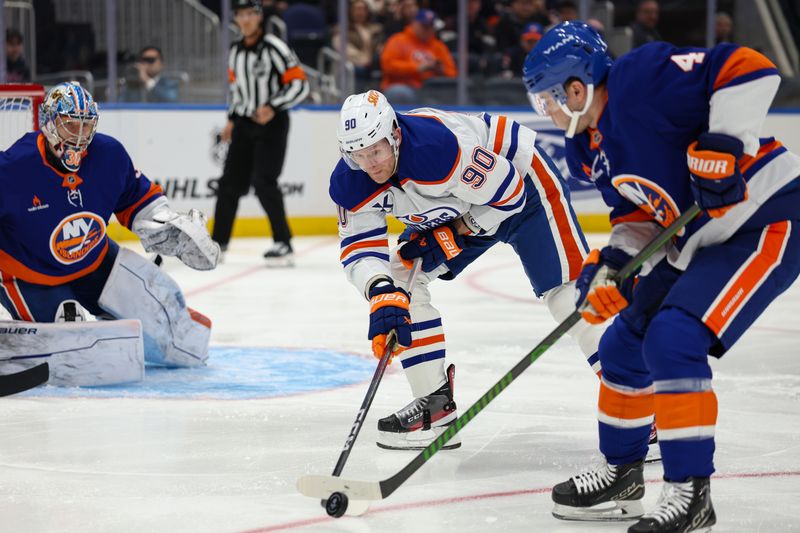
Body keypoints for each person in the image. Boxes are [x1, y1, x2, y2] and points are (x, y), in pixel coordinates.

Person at [523, 21, 800, 532]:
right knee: (625, 345)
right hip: (696, 238)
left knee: (673, 338)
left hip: (765, 216)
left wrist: (724, 144)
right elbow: (636, 217)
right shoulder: (590, 148)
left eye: (548, 100)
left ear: (576, 87)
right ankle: (622, 474)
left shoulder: (638, 79)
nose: (548, 113)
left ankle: (690, 494)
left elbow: (748, 67)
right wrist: (613, 267)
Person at [330, 89, 609, 450]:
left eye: (377, 151)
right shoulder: (352, 180)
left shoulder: (437, 148)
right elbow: (359, 250)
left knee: (567, 296)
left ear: (395, 135)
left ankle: (639, 408)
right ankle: (435, 406)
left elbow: (510, 193)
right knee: (400, 284)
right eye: (358, 155)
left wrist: (456, 231)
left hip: (525, 186)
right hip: (456, 208)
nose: (371, 165)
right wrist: (380, 290)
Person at [0, 82, 220, 386]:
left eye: (86, 125)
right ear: (49, 124)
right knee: (74, 348)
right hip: (31, 276)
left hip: (94, 261)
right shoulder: (13, 169)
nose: (79, 136)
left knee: (181, 338)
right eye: (70, 125)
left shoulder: (108, 155)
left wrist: (165, 227)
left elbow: (137, 200)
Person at [212, 0, 309, 265]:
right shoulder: (235, 52)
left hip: (272, 123)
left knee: (264, 182)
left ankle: (283, 243)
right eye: (240, 15)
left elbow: (300, 84)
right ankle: (217, 243)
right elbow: (238, 92)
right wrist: (232, 119)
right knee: (229, 184)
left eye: (249, 14)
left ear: (259, 16)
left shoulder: (274, 47)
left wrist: (273, 106)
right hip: (244, 123)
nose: (244, 20)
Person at [380, 9, 457, 103]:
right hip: (402, 86)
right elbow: (388, 66)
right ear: (414, 23)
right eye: (424, 26)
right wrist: (417, 67)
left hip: (430, 90)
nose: (428, 30)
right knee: (400, 93)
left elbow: (453, 73)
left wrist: (441, 70)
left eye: (431, 26)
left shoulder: (438, 46)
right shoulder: (398, 40)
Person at [331, 0, 384, 81]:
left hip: (373, 65)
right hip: (353, 66)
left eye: (363, 9)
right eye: (357, 9)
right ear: (351, 11)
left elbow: (381, 46)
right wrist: (363, 60)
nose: (360, 12)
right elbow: (343, 48)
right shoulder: (342, 29)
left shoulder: (376, 29)